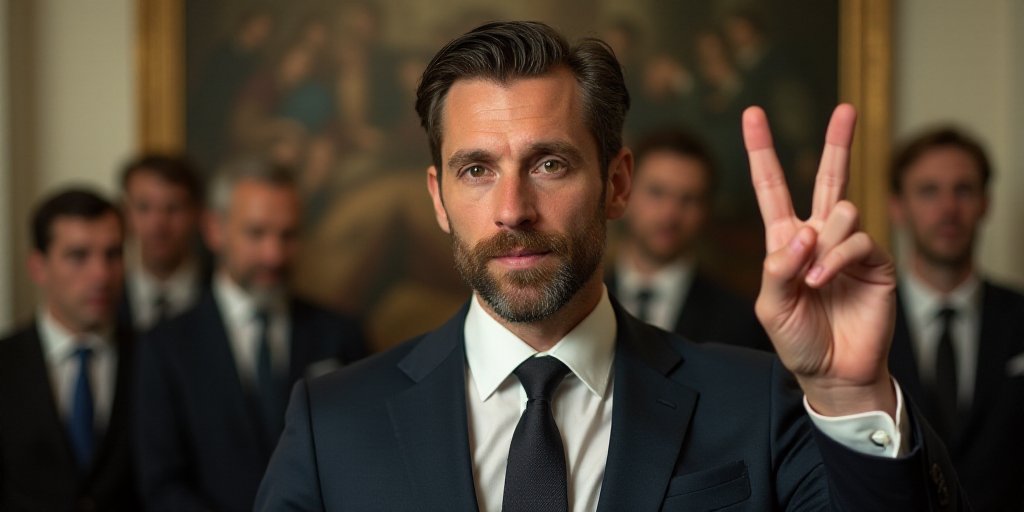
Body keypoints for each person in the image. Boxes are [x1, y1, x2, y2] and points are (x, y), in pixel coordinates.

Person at [256, 21, 965, 511]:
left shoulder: (760, 405)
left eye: (550, 164)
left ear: (617, 183)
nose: (513, 209)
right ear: (439, 199)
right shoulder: (331, 425)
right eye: (477, 170)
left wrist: (849, 394)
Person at [134, 157, 368, 512]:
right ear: (215, 229)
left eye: (287, 235)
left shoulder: (338, 334)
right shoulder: (165, 346)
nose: (274, 255)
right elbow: (162, 482)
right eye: (256, 233)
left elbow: (362, 453)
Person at [888, 127, 1024, 510]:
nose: (948, 208)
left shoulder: (1020, 316)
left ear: (985, 203)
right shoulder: (859, 326)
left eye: (963, 190)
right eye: (928, 191)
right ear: (897, 207)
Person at [0, 189, 139, 511]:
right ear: (38, 267)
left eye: (112, 254)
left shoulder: (154, 358)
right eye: (79, 256)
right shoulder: (5, 364)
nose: (101, 274)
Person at [606, 128, 771, 351]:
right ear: (624, 193)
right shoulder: (580, 301)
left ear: (706, 210)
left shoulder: (740, 320)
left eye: (689, 199)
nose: (670, 215)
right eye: (656, 192)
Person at [119, 154, 208, 333]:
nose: (158, 224)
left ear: (196, 214)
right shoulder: (108, 296)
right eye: (144, 208)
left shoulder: (220, 293)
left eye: (173, 208)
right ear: (126, 214)